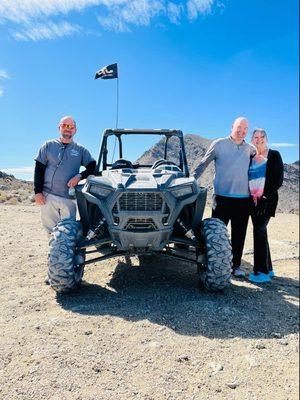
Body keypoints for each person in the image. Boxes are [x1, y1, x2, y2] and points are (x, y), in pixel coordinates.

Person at [194, 117, 256, 277]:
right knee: (217, 235)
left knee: (239, 234)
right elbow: (203, 163)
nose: (242, 131)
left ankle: (235, 266)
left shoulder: (250, 149)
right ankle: (213, 265)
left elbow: (258, 169)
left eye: (245, 129)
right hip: (222, 198)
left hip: (243, 200)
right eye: (239, 127)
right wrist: (191, 180)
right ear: (232, 127)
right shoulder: (219, 144)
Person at [34, 116, 96, 234]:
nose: (68, 129)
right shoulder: (48, 145)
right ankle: (56, 252)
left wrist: (80, 176)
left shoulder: (80, 150)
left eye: (71, 127)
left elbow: (92, 166)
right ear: (59, 128)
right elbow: (39, 169)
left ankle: (68, 251)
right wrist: (38, 192)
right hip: (48, 197)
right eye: (64, 125)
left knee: (68, 231)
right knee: (51, 231)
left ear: (75, 130)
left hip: (69, 198)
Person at [248, 128, 284, 283]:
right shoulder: (251, 156)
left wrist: (264, 195)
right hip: (252, 201)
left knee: (259, 231)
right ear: (252, 139)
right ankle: (268, 269)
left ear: (266, 138)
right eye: (255, 137)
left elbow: (278, 180)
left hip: (267, 200)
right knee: (261, 232)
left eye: (262, 136)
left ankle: (260, 272)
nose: (259, 139)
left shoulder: (274, 155)